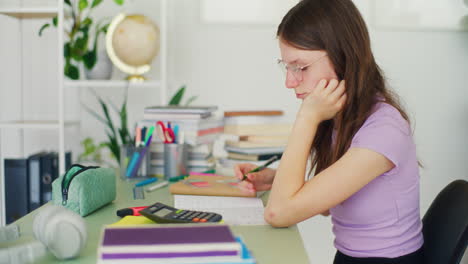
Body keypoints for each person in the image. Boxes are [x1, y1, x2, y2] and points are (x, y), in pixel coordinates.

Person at [234, 0, 425, 263]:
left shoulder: (384, 129)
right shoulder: (344, 118)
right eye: (286, 67)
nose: (290, 82)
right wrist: (274, 179)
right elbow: (324, 202)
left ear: (341, 55)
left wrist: (307, 118)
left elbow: (278, 214)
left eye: (300, 67)